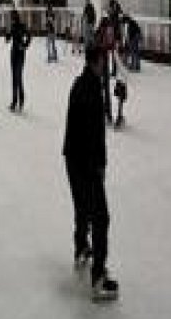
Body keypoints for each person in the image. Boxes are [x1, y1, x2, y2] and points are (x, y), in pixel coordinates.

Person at [62, 45, 118, 301]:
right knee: (101, 218)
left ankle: (81, 248)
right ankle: (98, 279)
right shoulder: (92, 90)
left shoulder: (80, 83)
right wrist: (99, 165)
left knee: (82, 207)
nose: (105, 65)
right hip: (85, 162)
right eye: (103, 61)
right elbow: (93, 133)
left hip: (73, 158)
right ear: (96, 62)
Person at [5, 9, 31, 112]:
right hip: (13, 53)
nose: (11, 19)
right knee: (14, 78)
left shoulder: (22, 26)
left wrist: (24, 45)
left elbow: (29, 36)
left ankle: (21, 99)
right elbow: (7, 40)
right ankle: (14, 101)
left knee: (18, 76)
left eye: (12, 17)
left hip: (20, 54)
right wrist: (7, 33)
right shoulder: (12, 26)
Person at [96, 18, 115, 124]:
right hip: (101, 65)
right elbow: (108, 47)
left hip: (100, 65)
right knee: (105, 90)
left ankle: (106, 113)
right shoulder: (102, 34)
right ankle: (107, 114)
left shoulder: (99, 33)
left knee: (102, 90)